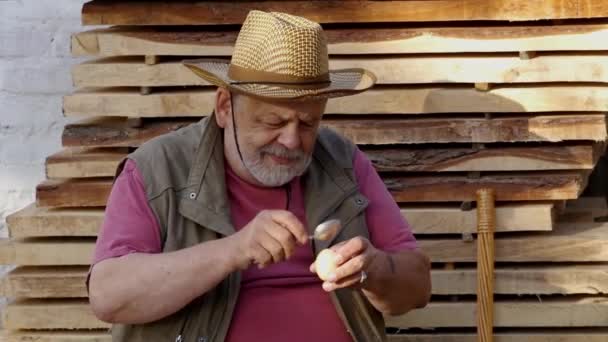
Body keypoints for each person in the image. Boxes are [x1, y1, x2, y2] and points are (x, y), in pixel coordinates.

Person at [88, 10, 431, 342]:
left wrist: (372, 271)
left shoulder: (342, 161)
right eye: (273, 122)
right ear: (224, 107)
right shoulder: (157, 167)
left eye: (309, 123)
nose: (292, 140)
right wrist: (233, 250)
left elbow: (417, 286)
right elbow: (108, 294)